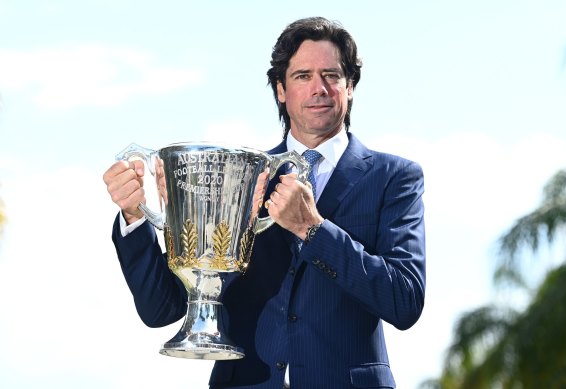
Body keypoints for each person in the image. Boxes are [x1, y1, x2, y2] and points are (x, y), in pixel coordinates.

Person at [103, 16, 426, 389]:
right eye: (303, 76)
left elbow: (404, 301)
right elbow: (162, 310)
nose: (318, 88)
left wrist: (312, 229)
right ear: (281, 90)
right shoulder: (238, 176)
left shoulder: (395, 177)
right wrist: (134, 216)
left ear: (350, 87)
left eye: (332, 76)